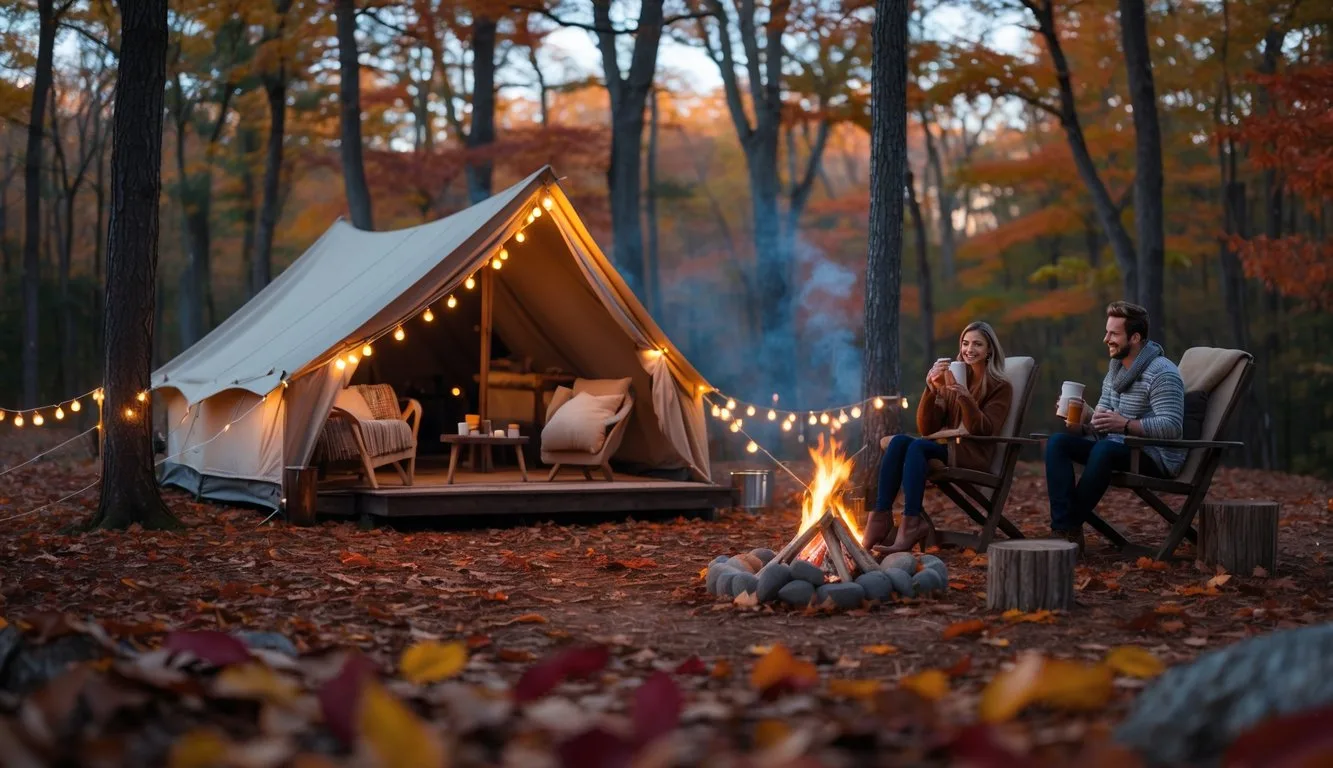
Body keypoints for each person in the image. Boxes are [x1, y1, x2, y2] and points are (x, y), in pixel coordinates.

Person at [1046, 301, 1185, 553]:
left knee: (1105, 450)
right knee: (1058, 443)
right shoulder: (1115, 371)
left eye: (1113, 334)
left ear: (1135, 337)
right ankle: (1065, 528)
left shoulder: (1163, 373)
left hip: (1154, 455)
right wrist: (1082, 418)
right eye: (1107, 332)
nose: (1106, 339)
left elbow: (1172, 426)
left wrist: (1126, 425)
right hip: (1114, 448)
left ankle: (1065, 529)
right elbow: (1101, 424)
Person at [863, 321, 1014, 554]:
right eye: (965, 343)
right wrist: (931, 389)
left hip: (972, 453)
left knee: (918, 448)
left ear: (989, 350)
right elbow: (927, 427)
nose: (969, 349)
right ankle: (880, 517)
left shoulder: (1000, 387)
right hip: (945, 447)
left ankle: (911, 523)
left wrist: (965, 398)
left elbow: (984, 429)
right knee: (901, 442)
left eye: (977, 344)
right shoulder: (953, 377)